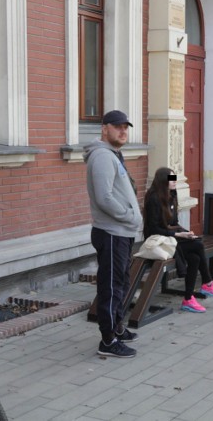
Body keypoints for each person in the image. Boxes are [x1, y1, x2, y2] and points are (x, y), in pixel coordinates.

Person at [84, 110, 142, 358]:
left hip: (121, 232)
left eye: (125, 128)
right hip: (111, 232)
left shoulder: (114, 155)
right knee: (111, 286)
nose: (123, 131)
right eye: (117, 127)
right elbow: (104, 198)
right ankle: (108, 341)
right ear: (104, 128)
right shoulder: (102, 157)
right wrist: (130, 216)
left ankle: (117, 327)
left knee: (121, 283)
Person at [143, 167, 213, 313]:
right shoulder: (153, 198)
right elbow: (153, 229)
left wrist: (186, 233)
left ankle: (188, 299)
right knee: (198, 245)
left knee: (194, 258)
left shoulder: (171, 195)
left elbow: (174, 222)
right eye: (171, 179)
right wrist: (177, 235)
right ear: (163, 180)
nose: (174, 182)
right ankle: (207, 282)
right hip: (158, 240)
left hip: (170, 237)